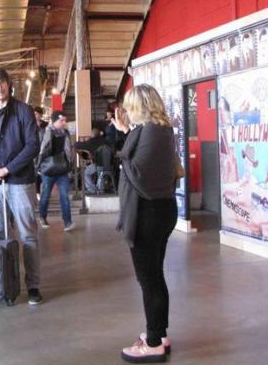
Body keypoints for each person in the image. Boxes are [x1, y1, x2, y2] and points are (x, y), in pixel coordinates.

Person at [113, 84, 178, 364]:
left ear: (141, 106)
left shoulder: (152, 131)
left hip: (148, 214)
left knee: (148, 280)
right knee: (154, 276)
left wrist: (121, 158)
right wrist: (127, 135)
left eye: (129, 107)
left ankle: (153, 344)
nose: (127, 113)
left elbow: (139, 175)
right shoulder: (159, 130)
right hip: (160, 210)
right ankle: (159, 334)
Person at [0, 68, 43, 305]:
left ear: (8, 84)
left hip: (19, 181)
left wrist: (7, 169)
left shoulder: (23, 111)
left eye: (1, 83)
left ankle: (33, 285)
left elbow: (32, 146)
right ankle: (3, 283)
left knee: (27, 234)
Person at [37, 111, 74, 231]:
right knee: (46, 194)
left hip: (62, 169)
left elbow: (69, 151)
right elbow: (41, 150)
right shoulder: (45, 132)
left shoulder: (66, 133)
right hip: (48, 169)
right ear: (54, 121)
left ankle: (68, 222)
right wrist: (38, 166)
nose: (64, 123)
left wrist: (70, 167)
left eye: (65, 120)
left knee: (64, 195)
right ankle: (42, 216)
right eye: (61, 120)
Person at [76, 128, 110, 194]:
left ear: (91, 135)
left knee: (85, 173)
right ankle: (101, 189)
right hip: (110, 166)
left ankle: (93, 190)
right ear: (100, 134)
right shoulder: (106, 141)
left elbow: (78, 145)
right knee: (101, 172)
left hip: (97, 165)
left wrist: (76, 142)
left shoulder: (90, 142)